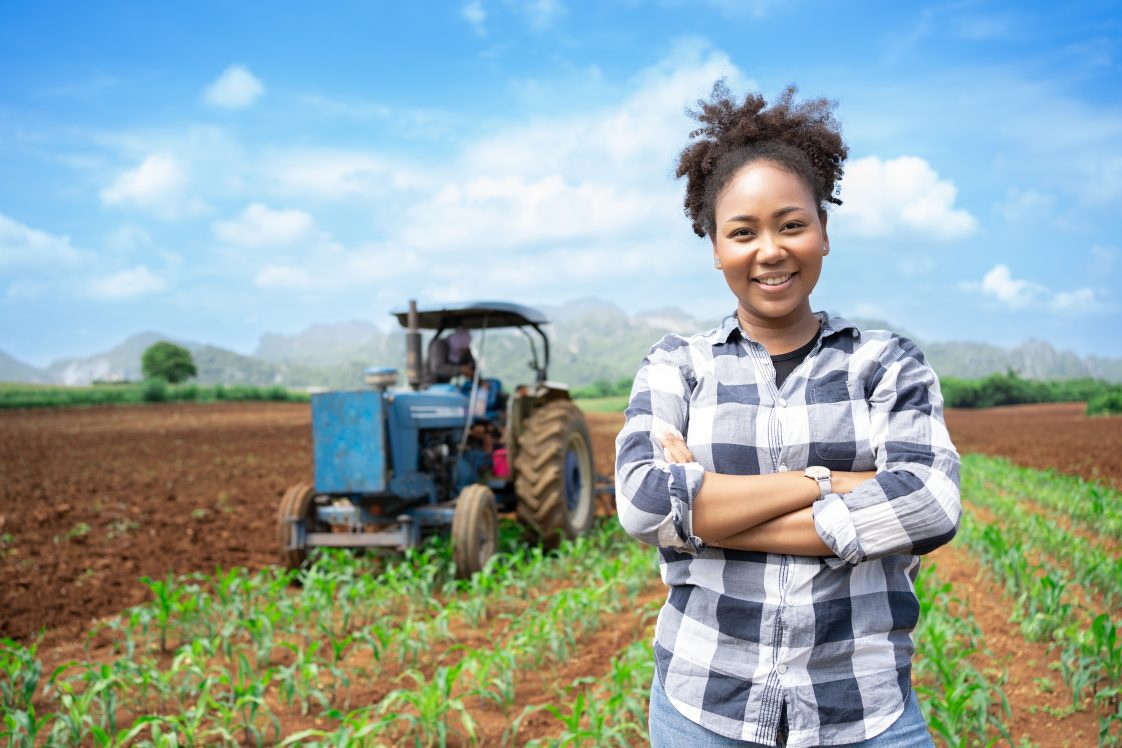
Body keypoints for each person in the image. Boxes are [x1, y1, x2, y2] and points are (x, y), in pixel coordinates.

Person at [615, 82, 961, 747]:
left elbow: (930, 504)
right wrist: (829, 481)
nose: (769, 250)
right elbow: (644, 505)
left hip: (862, 710)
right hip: (703, 705)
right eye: (742, 232)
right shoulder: (676, 365)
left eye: (791, 224)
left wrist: (708, 516)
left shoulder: (888, 364)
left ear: (823, 233)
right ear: (715, 248)